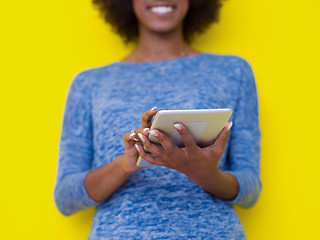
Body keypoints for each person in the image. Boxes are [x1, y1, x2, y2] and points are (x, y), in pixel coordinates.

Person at [54, 0, 261, 239]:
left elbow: (250, 190)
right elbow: (66, 198)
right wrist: (125, 165)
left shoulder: (233, 71)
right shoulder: (88, 83)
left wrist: (204, 174)